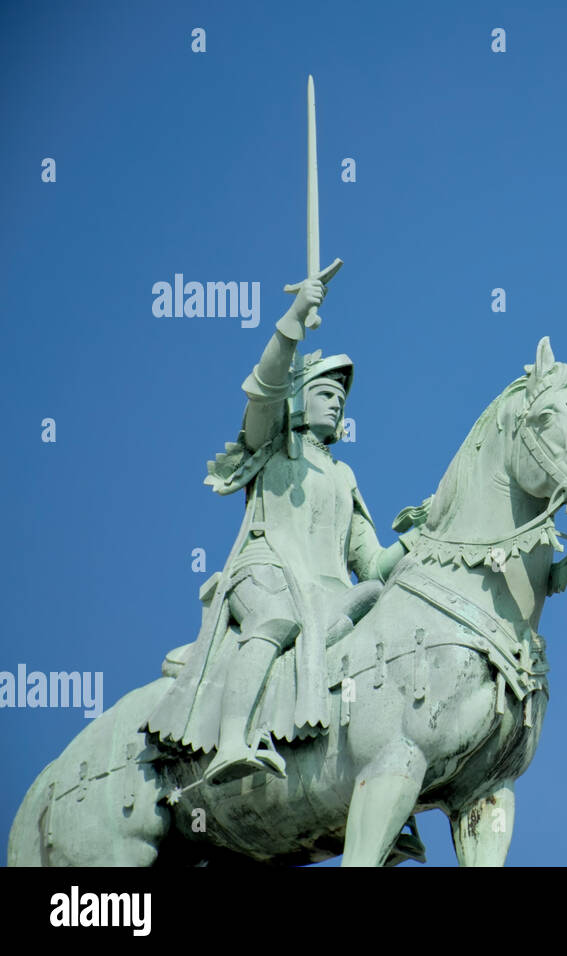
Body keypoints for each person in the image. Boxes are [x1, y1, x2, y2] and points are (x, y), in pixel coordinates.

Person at [145, 269, 418, 784]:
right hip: (266, 572)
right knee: (275, 619)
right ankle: (230, 744)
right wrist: (294, 319)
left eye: (342, 397)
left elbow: (373, 563)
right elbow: (266, 385)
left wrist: (422, 533)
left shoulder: (343, 475)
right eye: (326, 392)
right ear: (299, 398)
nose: (338, 402)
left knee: (381, 601)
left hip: (328, 593)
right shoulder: (271, 442)